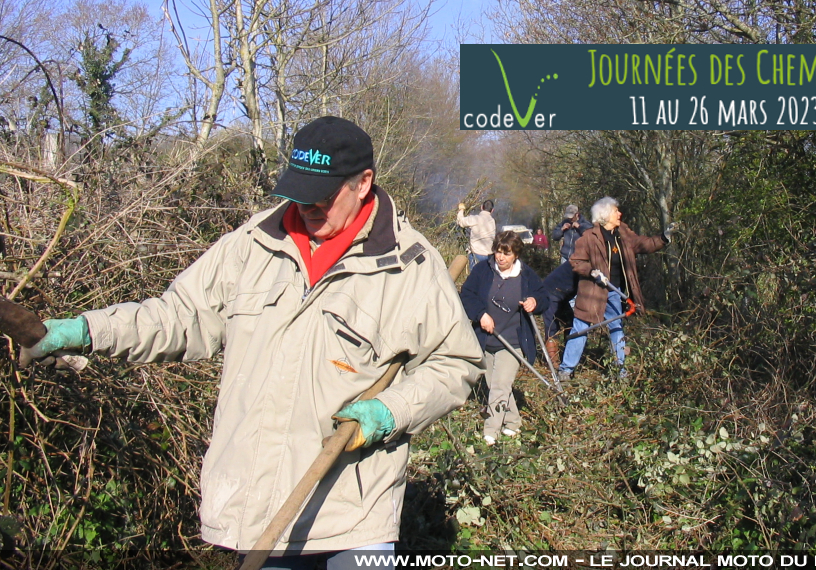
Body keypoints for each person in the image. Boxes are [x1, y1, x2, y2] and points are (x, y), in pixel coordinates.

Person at [20, 116, 484, 568]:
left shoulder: (408, 266)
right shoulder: (252, 244)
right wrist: (85, 330)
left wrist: (391, 411)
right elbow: (176, 316)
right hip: (264, 508)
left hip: (355, 512)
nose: (307, 208)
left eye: (322, 196)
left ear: (363, 183)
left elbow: (456, 363)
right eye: (300, 193)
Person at [558, 196, 674, 381]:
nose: (619, 213)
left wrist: (663, 238)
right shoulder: (589, 237)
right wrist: (592, 271)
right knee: (580, 327)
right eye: (615, 211)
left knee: (616, 327)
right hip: (592, 293)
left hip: (615, 292)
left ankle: (620, 371)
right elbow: (576, 261)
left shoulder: (623, 233)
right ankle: (566, 369)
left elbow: (642, 243)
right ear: (605, 215)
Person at [459, 231, 549, 445]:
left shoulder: (526, 276)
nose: (500, 257)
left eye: (506, 254)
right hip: (487, 339)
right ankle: (514, 423)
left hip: (513, 341)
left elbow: (544, 297)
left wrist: (534, 302)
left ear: (515, 255)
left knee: (500, 385)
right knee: (495, 385)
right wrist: (481, 314)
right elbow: (467, 295)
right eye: (498, 252)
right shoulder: (483, 270)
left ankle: (490, 432)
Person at [539, 260, 578, 367]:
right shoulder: (580, 263)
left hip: (562, 296)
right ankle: (552, 361)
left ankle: (568, 355)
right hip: (550, 292)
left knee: (571, 324)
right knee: (552, 326)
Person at [457, 199, 496, 269]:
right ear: (492, 210)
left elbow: (461, 222)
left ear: (481, 207)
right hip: (489, 255)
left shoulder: (476, 219)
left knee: (475, 277)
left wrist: (461, 210)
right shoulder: (492, 221)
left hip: (477, 254)